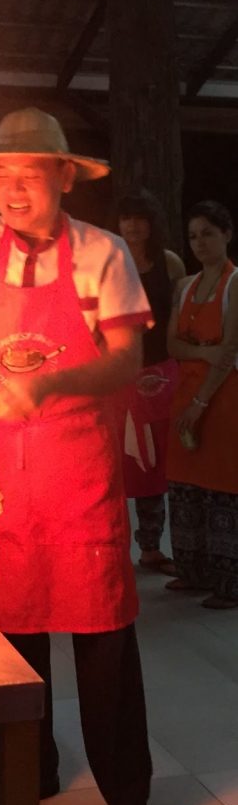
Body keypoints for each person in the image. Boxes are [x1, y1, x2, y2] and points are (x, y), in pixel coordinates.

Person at [0, 108, 156, 805]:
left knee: (102, 639)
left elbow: (125, 359)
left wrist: (51, 385)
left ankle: (129, 798)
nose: (14, 189)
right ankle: (32, 773)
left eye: (30, 174)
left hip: (80, 469)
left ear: (64, 177)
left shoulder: (103, 252)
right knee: (10, 640)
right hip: (1, 477)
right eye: (3, 175)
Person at [165, 200, 238, 609]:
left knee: (224, 484)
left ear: (227, 234)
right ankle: (191, 570)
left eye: (208, 233)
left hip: (223, 396)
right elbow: (173, 345)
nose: (200, 243)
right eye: (193, 236)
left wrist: (200, 400)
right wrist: (202, 351)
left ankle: (229, 581)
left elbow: (229, 352)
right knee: (186, 481)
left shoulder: (235, 283)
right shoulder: (186, 285)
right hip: (187, 392)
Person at [116, 192, 185, 573]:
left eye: (140, 218)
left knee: (157, 463)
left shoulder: (169, 262)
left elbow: (180, 316)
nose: (133, 226)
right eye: (126, 218)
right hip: (119, 375)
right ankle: (115, 548)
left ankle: (152, 547)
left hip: (161, 371)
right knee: (120, 463)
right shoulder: (110, 262)